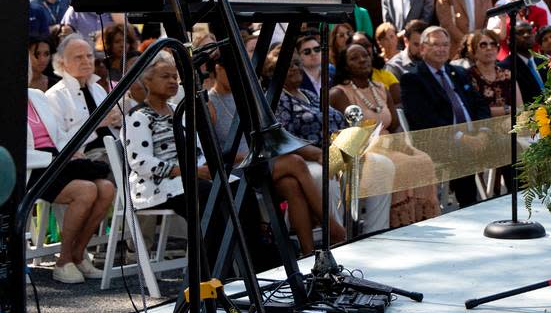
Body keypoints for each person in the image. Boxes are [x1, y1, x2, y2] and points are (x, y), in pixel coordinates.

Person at [124, 53, 279, 271]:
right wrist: (190, 171)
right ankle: (211, 271)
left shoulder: (179, 113)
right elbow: (140, 162)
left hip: (189, 179)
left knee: (239, 189)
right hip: (160, 186)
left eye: (174, 77)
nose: (171, 81)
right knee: (210, 198)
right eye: (164, 77)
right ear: (147, 81)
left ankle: (257, 262)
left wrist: (206, 169)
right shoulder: (139, 116)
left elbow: (197, 150)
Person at [206, 55, 346, 254]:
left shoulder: (246, 98)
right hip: (237, 167)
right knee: (296, 162)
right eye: (229, 69)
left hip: (261, 162)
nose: (235, 74)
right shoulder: (211, 103)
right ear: (217, 69)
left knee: (292, 185)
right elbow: (215, 153)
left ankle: (307, 253)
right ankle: (332, 227)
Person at [269, 45, 394, 234]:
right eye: (288, 65)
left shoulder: (310, 95)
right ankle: (337, 238)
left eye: (296, 63)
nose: (294, 68)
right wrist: (318, 153)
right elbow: (281, 138)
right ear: (273, 71)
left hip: (334, 151)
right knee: (329, 175)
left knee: (382, 165)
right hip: (306, 158)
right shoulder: (274, 100)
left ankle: (375, 233)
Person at [330, 44, 440, 227]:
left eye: (365, 55)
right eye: (354, 58)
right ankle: (401, 221)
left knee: (423, 159)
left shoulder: (381, 88)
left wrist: (403, 144)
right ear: (345, 66)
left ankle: (420, 218)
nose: (362, 60)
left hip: (389, 144)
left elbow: (396, 125)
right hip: (363, 150)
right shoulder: (338, 93)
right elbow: (343, 135)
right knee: (403, 164)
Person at [26, 87, 116, 283]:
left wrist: (71, 151)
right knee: (87, 190)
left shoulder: (36, 95)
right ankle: (63, 260)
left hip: (57, 161)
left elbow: (58, 135)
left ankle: (78, 253)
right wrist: (51, 158)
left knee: (107, 188)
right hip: (30, 167)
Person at [400, 27, 491, 207]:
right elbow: (424, 120)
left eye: (445, 45)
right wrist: (461, 138)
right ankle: (470, 208)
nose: (441, 49)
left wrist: (483, 131)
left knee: (511, 142)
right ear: (423, 48)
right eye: (436, 45)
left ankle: (516, 201)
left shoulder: (458, 72)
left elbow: (479, 103)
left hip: (475, 135)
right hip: (439, 142)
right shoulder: (413, 79)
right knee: (463, 154)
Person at [46, 33, 122, 162]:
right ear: (62, 63)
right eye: (78, 57)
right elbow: (59, 142)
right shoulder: (54, 96)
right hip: (84, 158)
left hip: (115, 149)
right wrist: (95, 124)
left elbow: (114, 127)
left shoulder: (98, 89)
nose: (86, 61)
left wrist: (118, 121)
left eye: (89, 56)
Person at [463, 30, 514, 117]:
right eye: (483, 45)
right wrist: (507, 110)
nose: (489, 48)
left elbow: (519, 107)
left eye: (493, 44)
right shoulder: (466, 76)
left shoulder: (507, 74)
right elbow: (472, 110)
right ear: (474, 51)